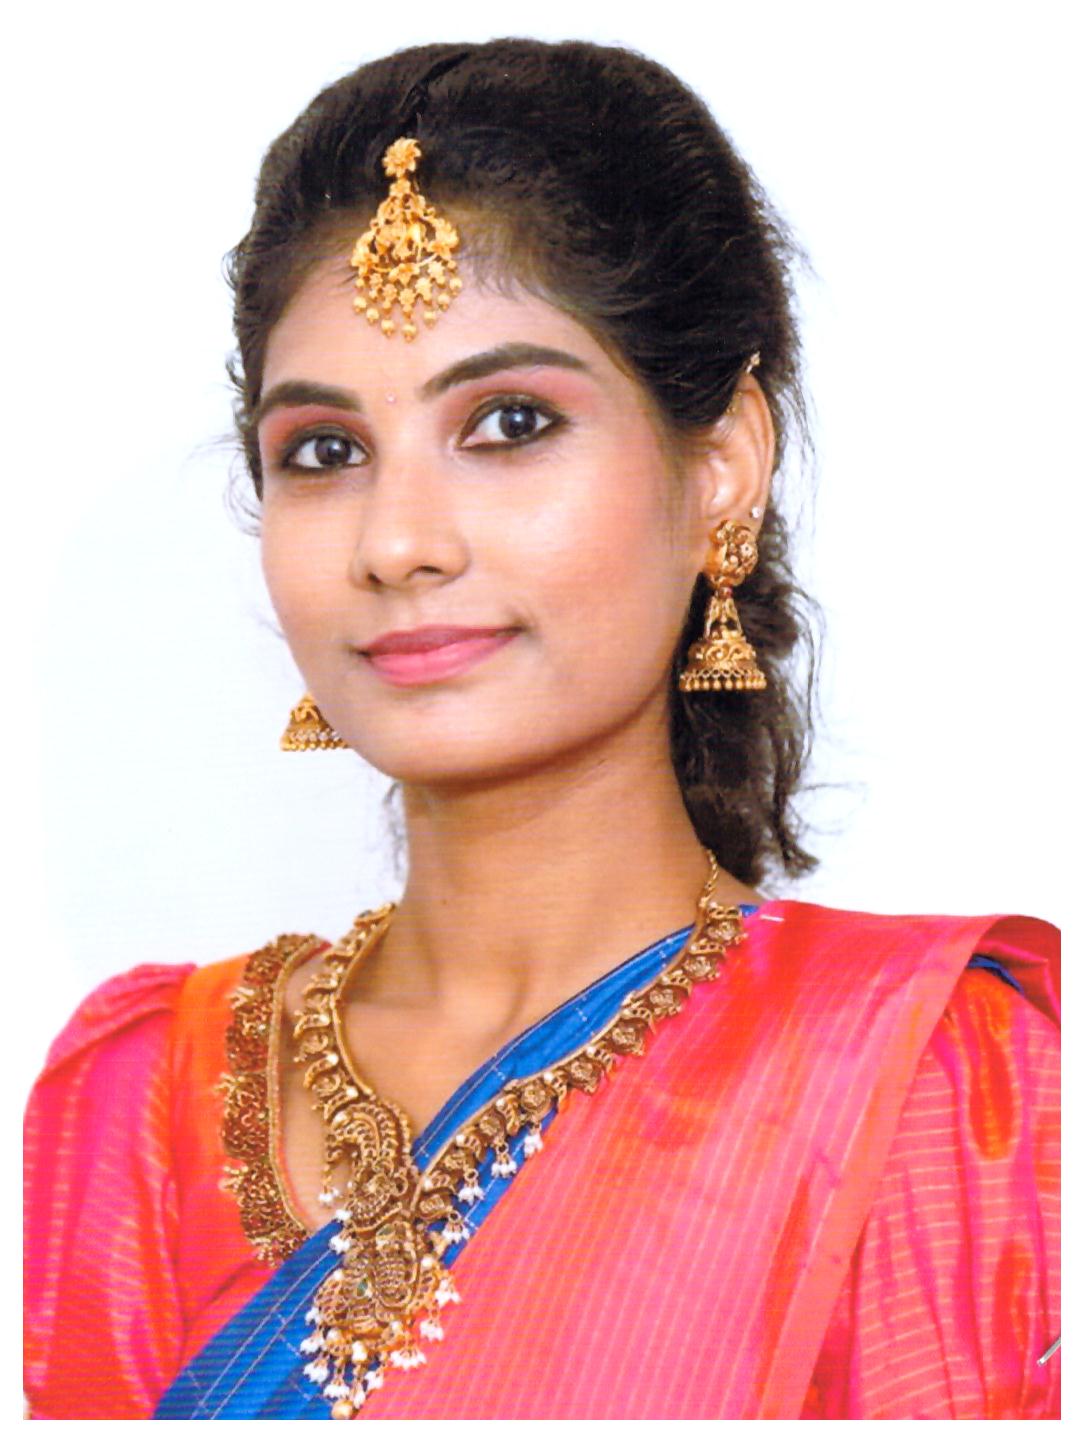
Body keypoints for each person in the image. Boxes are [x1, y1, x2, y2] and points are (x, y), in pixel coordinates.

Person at [23, 38, 1059, 1420]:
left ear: (721, 468)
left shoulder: (931, 1087)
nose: (396, 541)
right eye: (325, 452)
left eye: (509, 423)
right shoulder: (135, 1099)